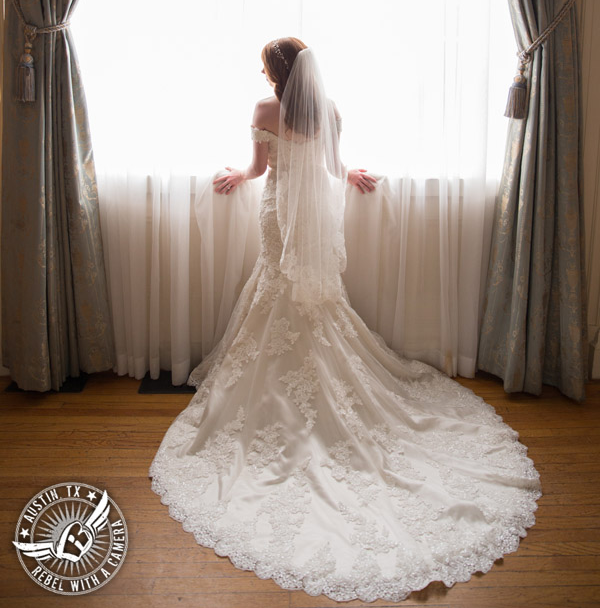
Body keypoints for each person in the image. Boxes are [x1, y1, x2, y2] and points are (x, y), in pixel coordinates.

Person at [149, 38, 541, 603]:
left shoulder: (264, 111)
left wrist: (238, 175)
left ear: (276, 73)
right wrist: (351, 173)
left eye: (264, 66)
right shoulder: (330, 111)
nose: (261, 74)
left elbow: (261, 169)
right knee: (312, 295)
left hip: (279, 217)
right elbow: (331, 166)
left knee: (274, 286)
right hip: (311, 219)